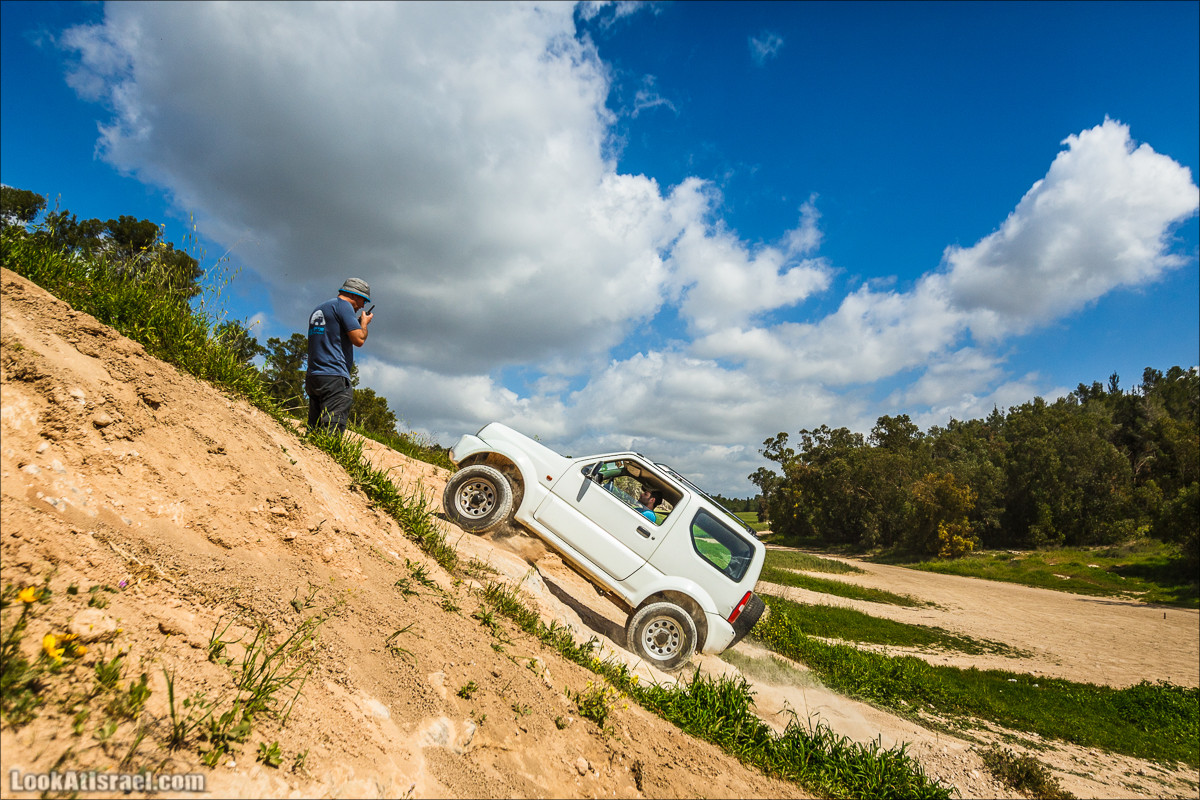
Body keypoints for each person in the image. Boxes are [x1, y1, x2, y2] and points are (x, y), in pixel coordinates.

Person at [305, 277, 373, 434]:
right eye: (363, 300)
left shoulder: (320, 308)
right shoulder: (344, 307)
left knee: (313, 430)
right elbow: (359, 339)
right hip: (334, 378)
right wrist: (363, 323)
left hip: (314, 377)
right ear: (355, 295)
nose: (362, 306)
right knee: (332, 432)